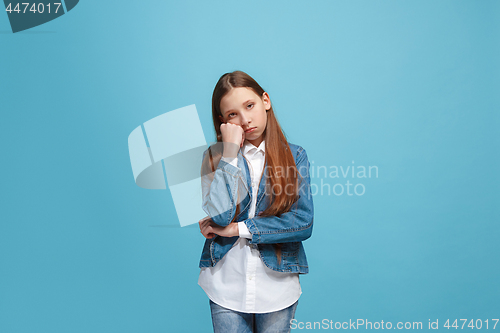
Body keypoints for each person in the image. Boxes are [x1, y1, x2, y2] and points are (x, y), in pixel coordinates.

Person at [198, 70, 314, 333]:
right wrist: (229, 154)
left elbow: (303, 222)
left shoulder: (295, 157)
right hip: (225, 285)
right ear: (223, 122)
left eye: (249, 106)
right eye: (232, 115)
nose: (245, 119)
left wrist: (238, 230)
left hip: (277, 286)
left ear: (265, 101)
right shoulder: (215, 158)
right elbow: (219, 217)